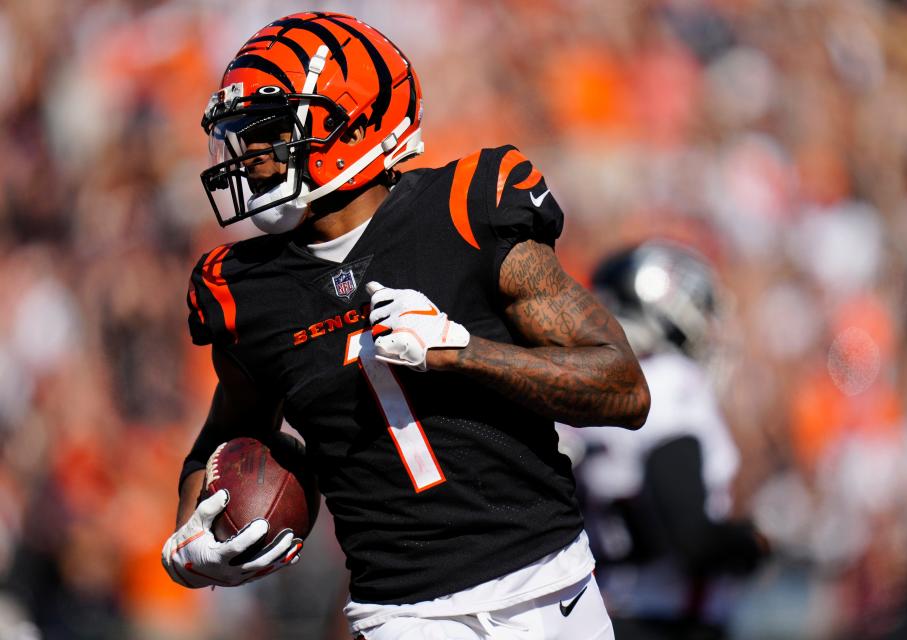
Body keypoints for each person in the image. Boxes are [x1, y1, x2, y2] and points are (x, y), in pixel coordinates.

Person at [159, 12, 650, 640]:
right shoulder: (242, 292)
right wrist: (188, 554)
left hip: (554, 587)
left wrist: (463, 352)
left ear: (354, 122)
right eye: (241, 136)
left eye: (270, 132)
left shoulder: (468, 209)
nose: (249, 156)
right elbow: (223, 439)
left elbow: (624, 388)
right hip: (403, 616)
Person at [558, 241, 768, 639]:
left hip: (603, 615)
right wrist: (755, 543)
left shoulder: (586, 395)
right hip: (670, 622)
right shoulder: (668, 383)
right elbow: (690, 538)